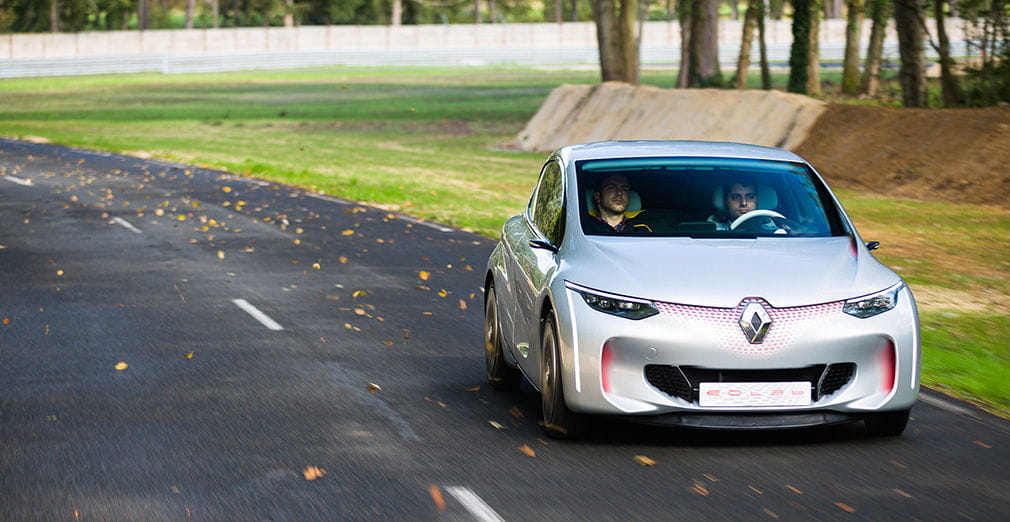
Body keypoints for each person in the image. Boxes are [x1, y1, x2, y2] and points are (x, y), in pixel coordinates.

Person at [586, 174, 653, 233]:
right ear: (598, 197)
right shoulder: (583, 227)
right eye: (612, 188)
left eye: (624, 189)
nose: (620, 193)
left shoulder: (643, 229)